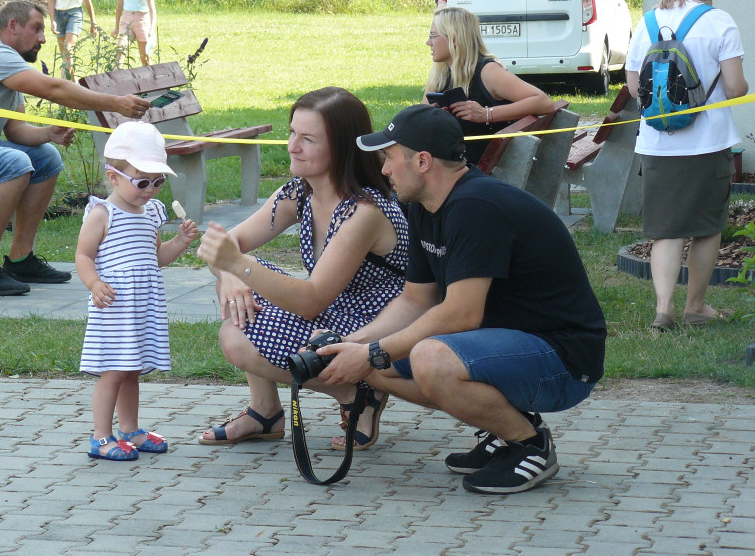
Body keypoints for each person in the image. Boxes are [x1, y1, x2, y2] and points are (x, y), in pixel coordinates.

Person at [316, 105, 607, 494]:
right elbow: (414, 301)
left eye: (389, 157)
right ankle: (505, 431)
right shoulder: (424, 206)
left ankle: (529, 445)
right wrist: (350, 346)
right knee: (377, 365)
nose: (384, 170)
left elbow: (461, 315)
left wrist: (372, 353)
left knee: (427, 358)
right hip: (514, 347)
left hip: (565, 362)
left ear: (422, 161)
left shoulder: (476, 207)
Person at [195, 87, 409, 449]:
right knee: (239, 290)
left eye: (307, 139)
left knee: (235, 335)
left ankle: (356, 393)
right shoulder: (300, 191)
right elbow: (225, 244)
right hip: (334, 309)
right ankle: (265, 412)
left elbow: (311, 301)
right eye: (292, 132)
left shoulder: (365, 211)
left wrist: (237, 265)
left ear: (342, 148)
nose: (292, 146)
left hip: (377, 322)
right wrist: (230, 273)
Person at [0, 0, 152, 297]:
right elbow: (54, 89)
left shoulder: (10, 66)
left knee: (47, 158)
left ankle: (20, 259)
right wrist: (115, 103)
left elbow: (15, 129)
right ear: (13, 26)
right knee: (15, 163)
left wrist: (47, 134)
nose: (43, 38)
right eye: (36, 29)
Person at [625, 0, 747, 332]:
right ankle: (696, 306)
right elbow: (735, 87)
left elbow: (634, 88)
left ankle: (664, 310)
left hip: (656, 144)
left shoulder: (646, 23)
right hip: (708, 142)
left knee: (666, 229)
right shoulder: (719, 22)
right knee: (707, 227)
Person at [77, 121, 199, 461]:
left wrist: (180, 241)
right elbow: (84, 256)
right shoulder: (102, 213)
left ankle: (130, 430)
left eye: (158, 182)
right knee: (113, 371)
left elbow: (156, 258)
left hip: (142, 305)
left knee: (132, 369)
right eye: (142, 182)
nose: (150, 190)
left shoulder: (153, 212)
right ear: (113, 176)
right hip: (115, 306)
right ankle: (101, 437)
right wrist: (94, 283)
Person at [425, 6, 555, 165]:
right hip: (448, 162)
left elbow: (544, 103)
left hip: (471, 167)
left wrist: (487, 114)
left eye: (433, 35)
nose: (428, 42)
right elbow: (421, 118)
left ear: (454, 38)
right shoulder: (440, 74)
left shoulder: (488, 71)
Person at [112, 0, 157, 67]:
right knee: (120, 51)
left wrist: (152, 29)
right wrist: (116, 27)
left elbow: (152, 9)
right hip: (127, 20)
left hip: (142, 21)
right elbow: (119, 4)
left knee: (144, 58)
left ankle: (151, 76)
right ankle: (117, 75)